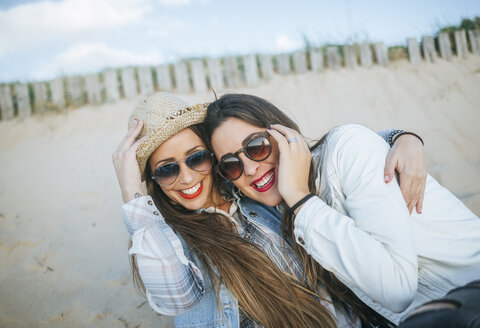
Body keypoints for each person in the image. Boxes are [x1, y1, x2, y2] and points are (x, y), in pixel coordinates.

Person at [113, 92, 427, 328]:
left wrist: (401, 139)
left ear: (213, 157)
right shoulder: (171, 241)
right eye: (167, 170)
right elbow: (175, 295)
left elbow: (315, 158)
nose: (187, 177)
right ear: (154, 180)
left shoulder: (251, 188)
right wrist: (132, 195)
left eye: (196, 158)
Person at [205, 93, 480, 325]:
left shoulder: (345, 152)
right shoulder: (281, 213)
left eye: (256, 146)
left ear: (285, 135)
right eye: (231, 164)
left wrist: (301, 199)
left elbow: (397, 290)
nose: (251, 168)